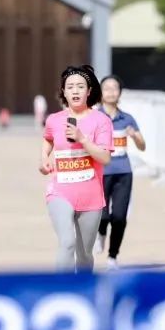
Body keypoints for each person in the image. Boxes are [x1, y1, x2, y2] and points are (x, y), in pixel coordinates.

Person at [40, 65, 113, 273]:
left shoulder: (101, 121)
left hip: (91, 196)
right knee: (67, 243)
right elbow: (48, 139)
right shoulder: (54, 120)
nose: (75, 91)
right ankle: (62, 287)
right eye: (70, 87)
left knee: (84, 254)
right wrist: (44, 158)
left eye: (80, 86)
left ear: (89, 91)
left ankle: (83, 287)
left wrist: (82, 139)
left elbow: (105, 157)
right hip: (60, 192)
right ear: (63, 92)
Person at [94, 75, 146, 271]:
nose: (111, 92)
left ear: (120, 93)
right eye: (106, 88)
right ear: (100, 93)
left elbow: (142, 146)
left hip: (123, 173)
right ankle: (100, 232)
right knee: (102, 215)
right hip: (100, 173)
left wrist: (134, 137)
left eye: (114, 88)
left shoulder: (127, 119)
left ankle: (113, 256)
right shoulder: (94, 118)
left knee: (119, 217)